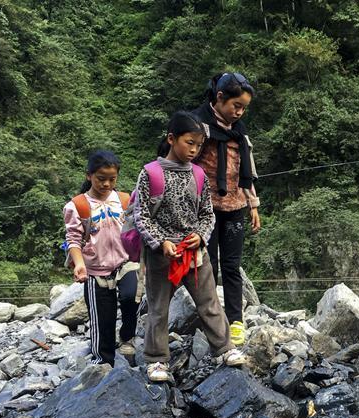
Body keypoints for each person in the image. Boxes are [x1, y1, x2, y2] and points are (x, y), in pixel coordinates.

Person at [134, 110, 246, 382]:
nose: (194, 150)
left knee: (209, 302)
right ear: (171, 139)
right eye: (189, 143)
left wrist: (199, 235)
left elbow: (208, 214)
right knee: (159, 308)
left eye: (198, 145)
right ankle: (157, 360)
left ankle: (223, 348)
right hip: (163, 255)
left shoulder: (198, 175)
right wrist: (160, 242)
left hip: (193, 251)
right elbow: (141, 215)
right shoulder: (151, 173)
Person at [194, 72, 261, 347]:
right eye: (236, 106)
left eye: (244, 107)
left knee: (232, 267)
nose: (240, 112)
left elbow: (248, 168)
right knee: (208, 266)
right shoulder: (198, 125)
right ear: (220, 97)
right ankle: (211, 321)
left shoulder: (239, 130)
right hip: (204, 210)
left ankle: (235, 322)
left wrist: (252, 204)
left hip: (234, 206)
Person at [63, 150, 140, 366]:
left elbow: (137, 230)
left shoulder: (125, 200)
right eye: (101, 179)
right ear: (89, 176)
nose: (106, 184)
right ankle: (103, 362)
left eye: (112, 179)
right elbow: (73, 239)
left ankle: (127, 336)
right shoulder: (78, 205)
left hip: (126, 261)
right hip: (95, 269)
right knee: (102, 319)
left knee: (131, 296)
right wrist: (79, 264)